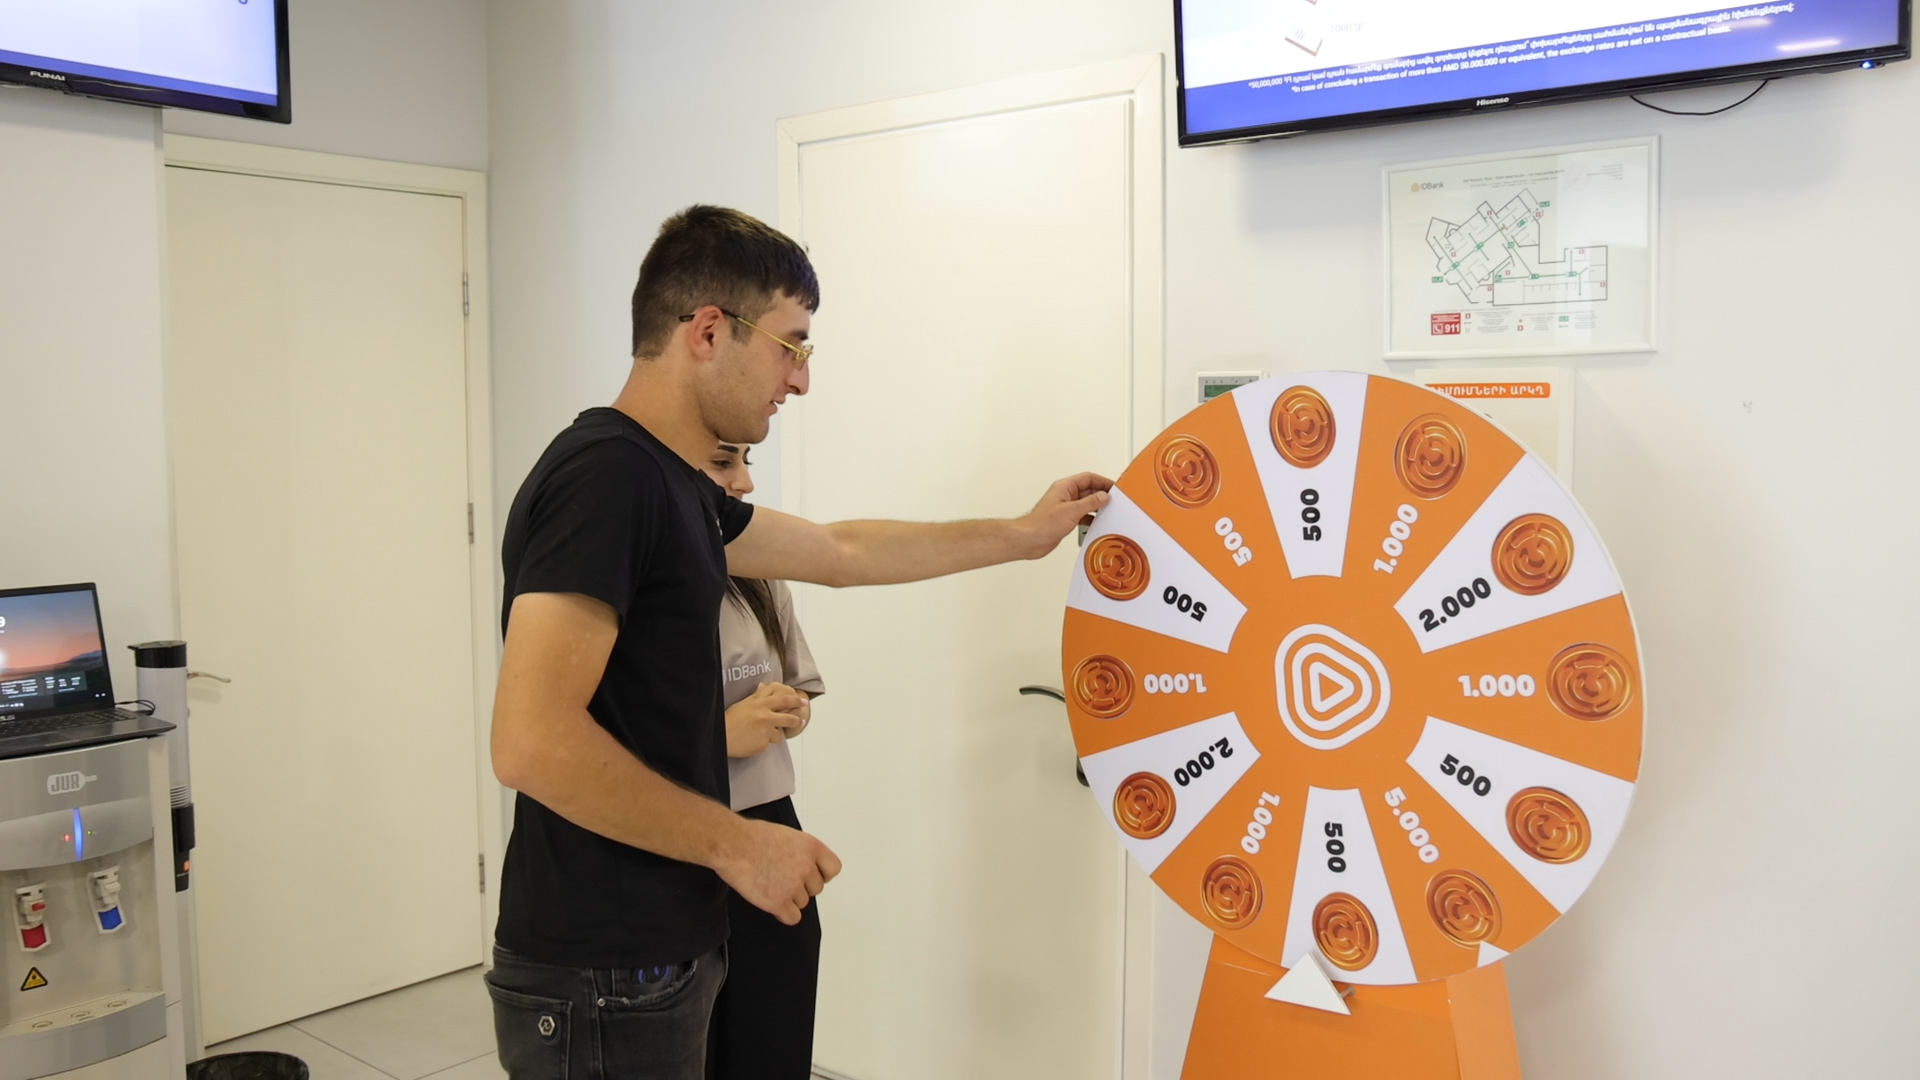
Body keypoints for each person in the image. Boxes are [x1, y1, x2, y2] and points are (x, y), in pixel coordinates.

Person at [485, 204, 1111, 1080]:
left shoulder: (675, 485)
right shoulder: (606, 478)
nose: (801, 380)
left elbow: (839, 552)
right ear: (709, 331)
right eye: (791, 346)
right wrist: (737, 843)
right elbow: (529, 741)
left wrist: (1020, 533)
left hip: (660, 946)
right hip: (602, 965)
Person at [698, 441, 823, 1079]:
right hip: (678, 831)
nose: (745, 482)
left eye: (747, 461)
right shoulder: (636, 573)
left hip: (770, 822)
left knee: (772, 1029)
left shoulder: (758, 569)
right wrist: (717, 736)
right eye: (724, 463)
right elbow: (579, 739)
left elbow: (800, 685)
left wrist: (788, 710)